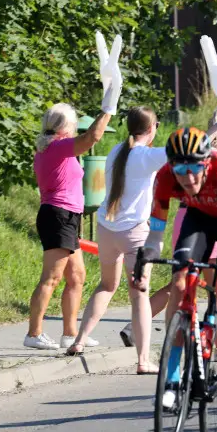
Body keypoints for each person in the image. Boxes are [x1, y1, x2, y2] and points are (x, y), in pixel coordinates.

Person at [143, 127, 217, 406]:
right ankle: (172, 376)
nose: (188, 177)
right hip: (199, 216)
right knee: (180, 283)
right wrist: (147, 260)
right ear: (171, 166)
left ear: (206, 162)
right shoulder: (165, 177)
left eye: (194, 168)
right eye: (181, 169)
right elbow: (155, 237)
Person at [115, 104, 217, 347]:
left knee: (179, 283)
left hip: (185, 218)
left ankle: (135, 326)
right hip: (209, 221)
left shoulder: (194, 152)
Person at [64, 107, 163, 371]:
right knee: (139, 295)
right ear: (151, 128)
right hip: (134, 233)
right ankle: (143, 360)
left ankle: (79, 340)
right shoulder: (147, 155)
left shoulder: (117, 150)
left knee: (107, 286)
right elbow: (187, 149)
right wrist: (215, 126)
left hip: (107, 228)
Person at [27, 102, 116, 350]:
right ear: (64, 126)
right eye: (73, 123)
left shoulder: (53, 147)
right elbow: (92, 137)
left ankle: (70, 334)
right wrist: (108, 109)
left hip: (66, 216)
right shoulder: (58, 146)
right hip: (58, 215)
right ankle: (33, 334)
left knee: (77, 276)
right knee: (51, 277)